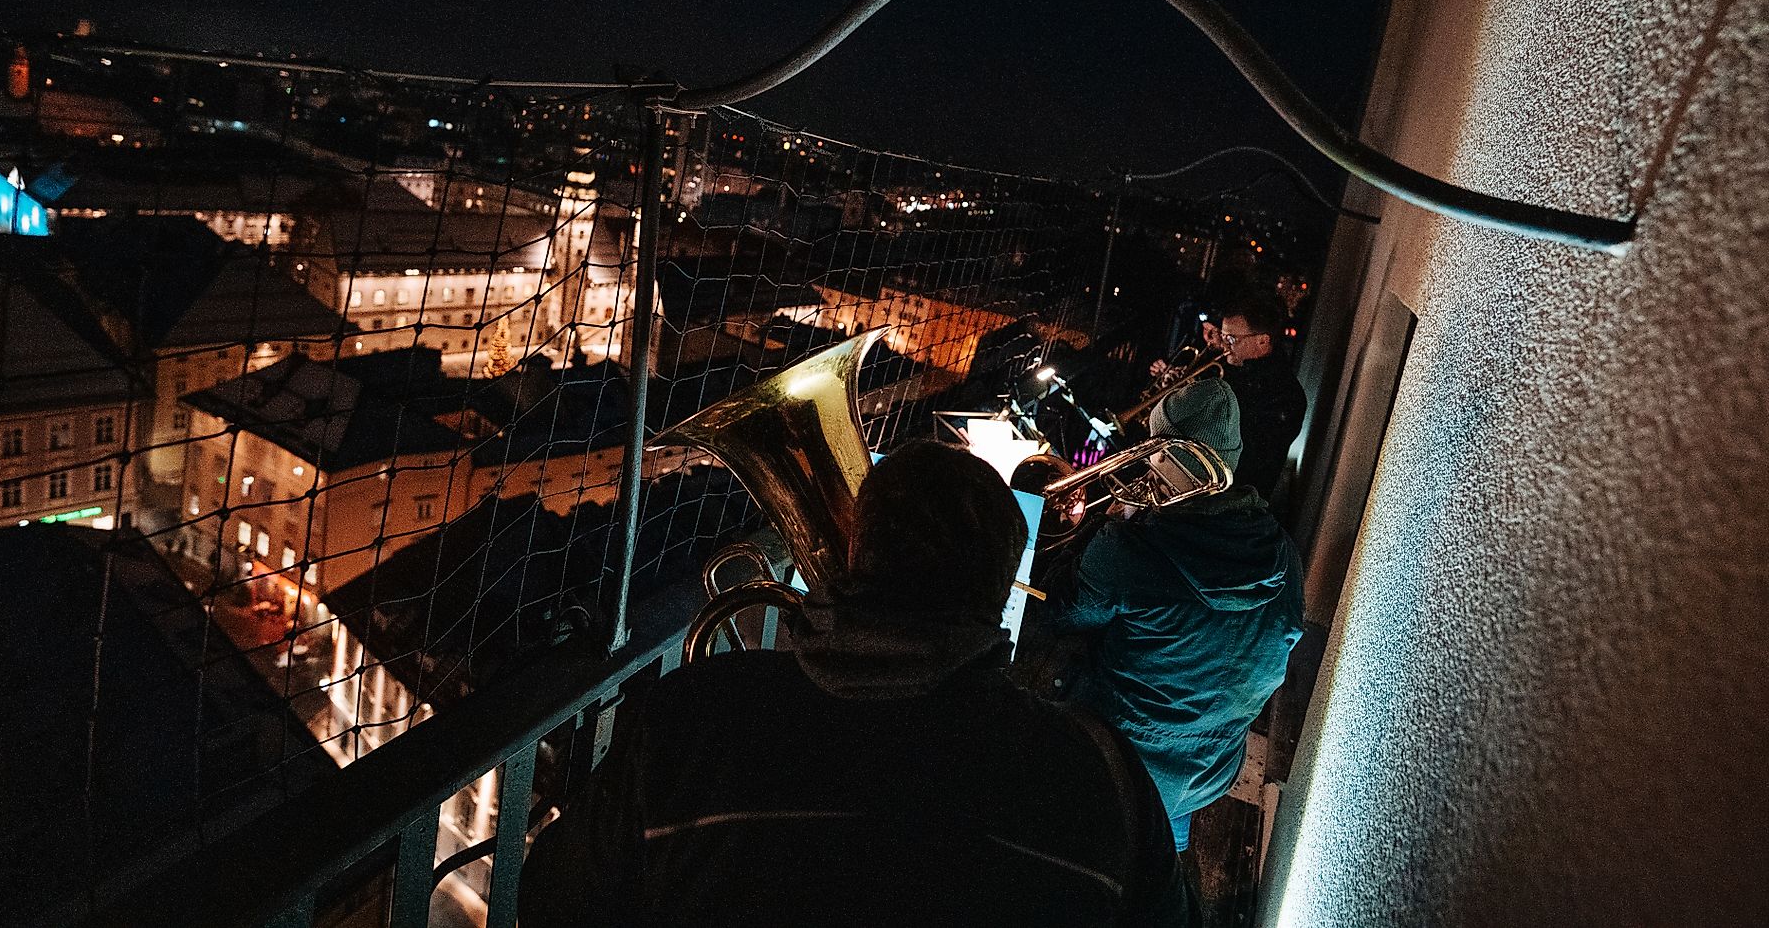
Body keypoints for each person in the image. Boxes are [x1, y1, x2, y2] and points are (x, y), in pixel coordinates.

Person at [520, 440, 1196, 927]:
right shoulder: (1100, 772)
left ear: (855, 551)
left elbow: (550, 901)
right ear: (999, 594)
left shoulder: (691, 713)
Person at [1041, 375, 1303, 858]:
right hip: (1208, 770)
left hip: (1114, 761)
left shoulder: (1129, 551)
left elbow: (1060, 611)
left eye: (1154, 450)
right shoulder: (1283, 555)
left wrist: (1099, 532)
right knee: (1159, 854)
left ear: (1175, 456)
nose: (1144, 461)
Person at [1205, 295, 1307, 507]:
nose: (1224, 345)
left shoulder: (1285, 395)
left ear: (1262, 340)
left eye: (1231, 339)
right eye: (1223, 336)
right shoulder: (1232, 370)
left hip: (1230, 505)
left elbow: (1249, 459)